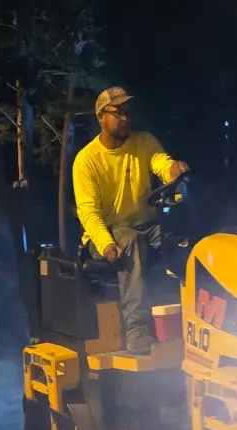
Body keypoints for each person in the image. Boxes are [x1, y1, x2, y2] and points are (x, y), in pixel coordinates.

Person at [72, 87, 188, 354]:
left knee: (183, 237)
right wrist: (106, 244)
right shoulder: (86, 161)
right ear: (101, 116)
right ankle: (137, 331)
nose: (125, 118)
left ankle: (193, 316)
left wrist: (173, 171)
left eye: (127, 112)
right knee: (131, 242)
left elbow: (161, 163)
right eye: (118, 113)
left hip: (146, 227)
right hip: (106, 234)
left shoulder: (144, 142)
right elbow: (88, 213)